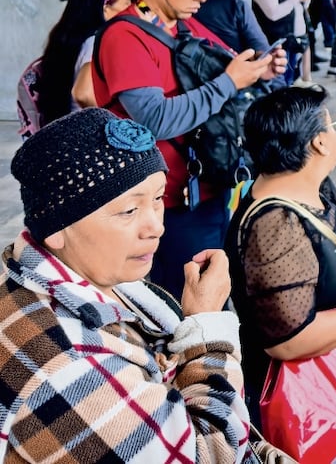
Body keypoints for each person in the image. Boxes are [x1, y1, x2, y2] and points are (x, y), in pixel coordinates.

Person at [4, 108, 251, 461]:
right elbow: (210, 453)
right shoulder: (67, 367)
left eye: (157, 199)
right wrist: (208, 326)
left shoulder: (80, 273)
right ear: (57, 227)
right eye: (128, 211)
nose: (156, 228)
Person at [92, 0, 287, 299]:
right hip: (166, 205)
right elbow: (154, 120)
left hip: (207, 189)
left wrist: (262, 70)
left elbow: (228, 67)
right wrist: (230, 81)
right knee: (186, 306)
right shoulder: (125, 36)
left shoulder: (182, 25)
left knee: (214, 295)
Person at [226, 85, 336, 421]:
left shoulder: (313, 185)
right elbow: (288, 342)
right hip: (314, 404)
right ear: (319, 142)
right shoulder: (275, 226)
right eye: (332, 125)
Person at [33, 0, 131, 127]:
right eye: (127, 3)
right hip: (87, 133)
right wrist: (115, 124)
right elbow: (83, 94)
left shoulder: (75, 38)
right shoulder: (96, 43)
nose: (132, 9)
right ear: (105, 9)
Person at [252, 0, 313, 85]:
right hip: (279, 41)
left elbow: (297, 6)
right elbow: (273, 13)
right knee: (282, 81)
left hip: (293, 40)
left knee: (291, 78)